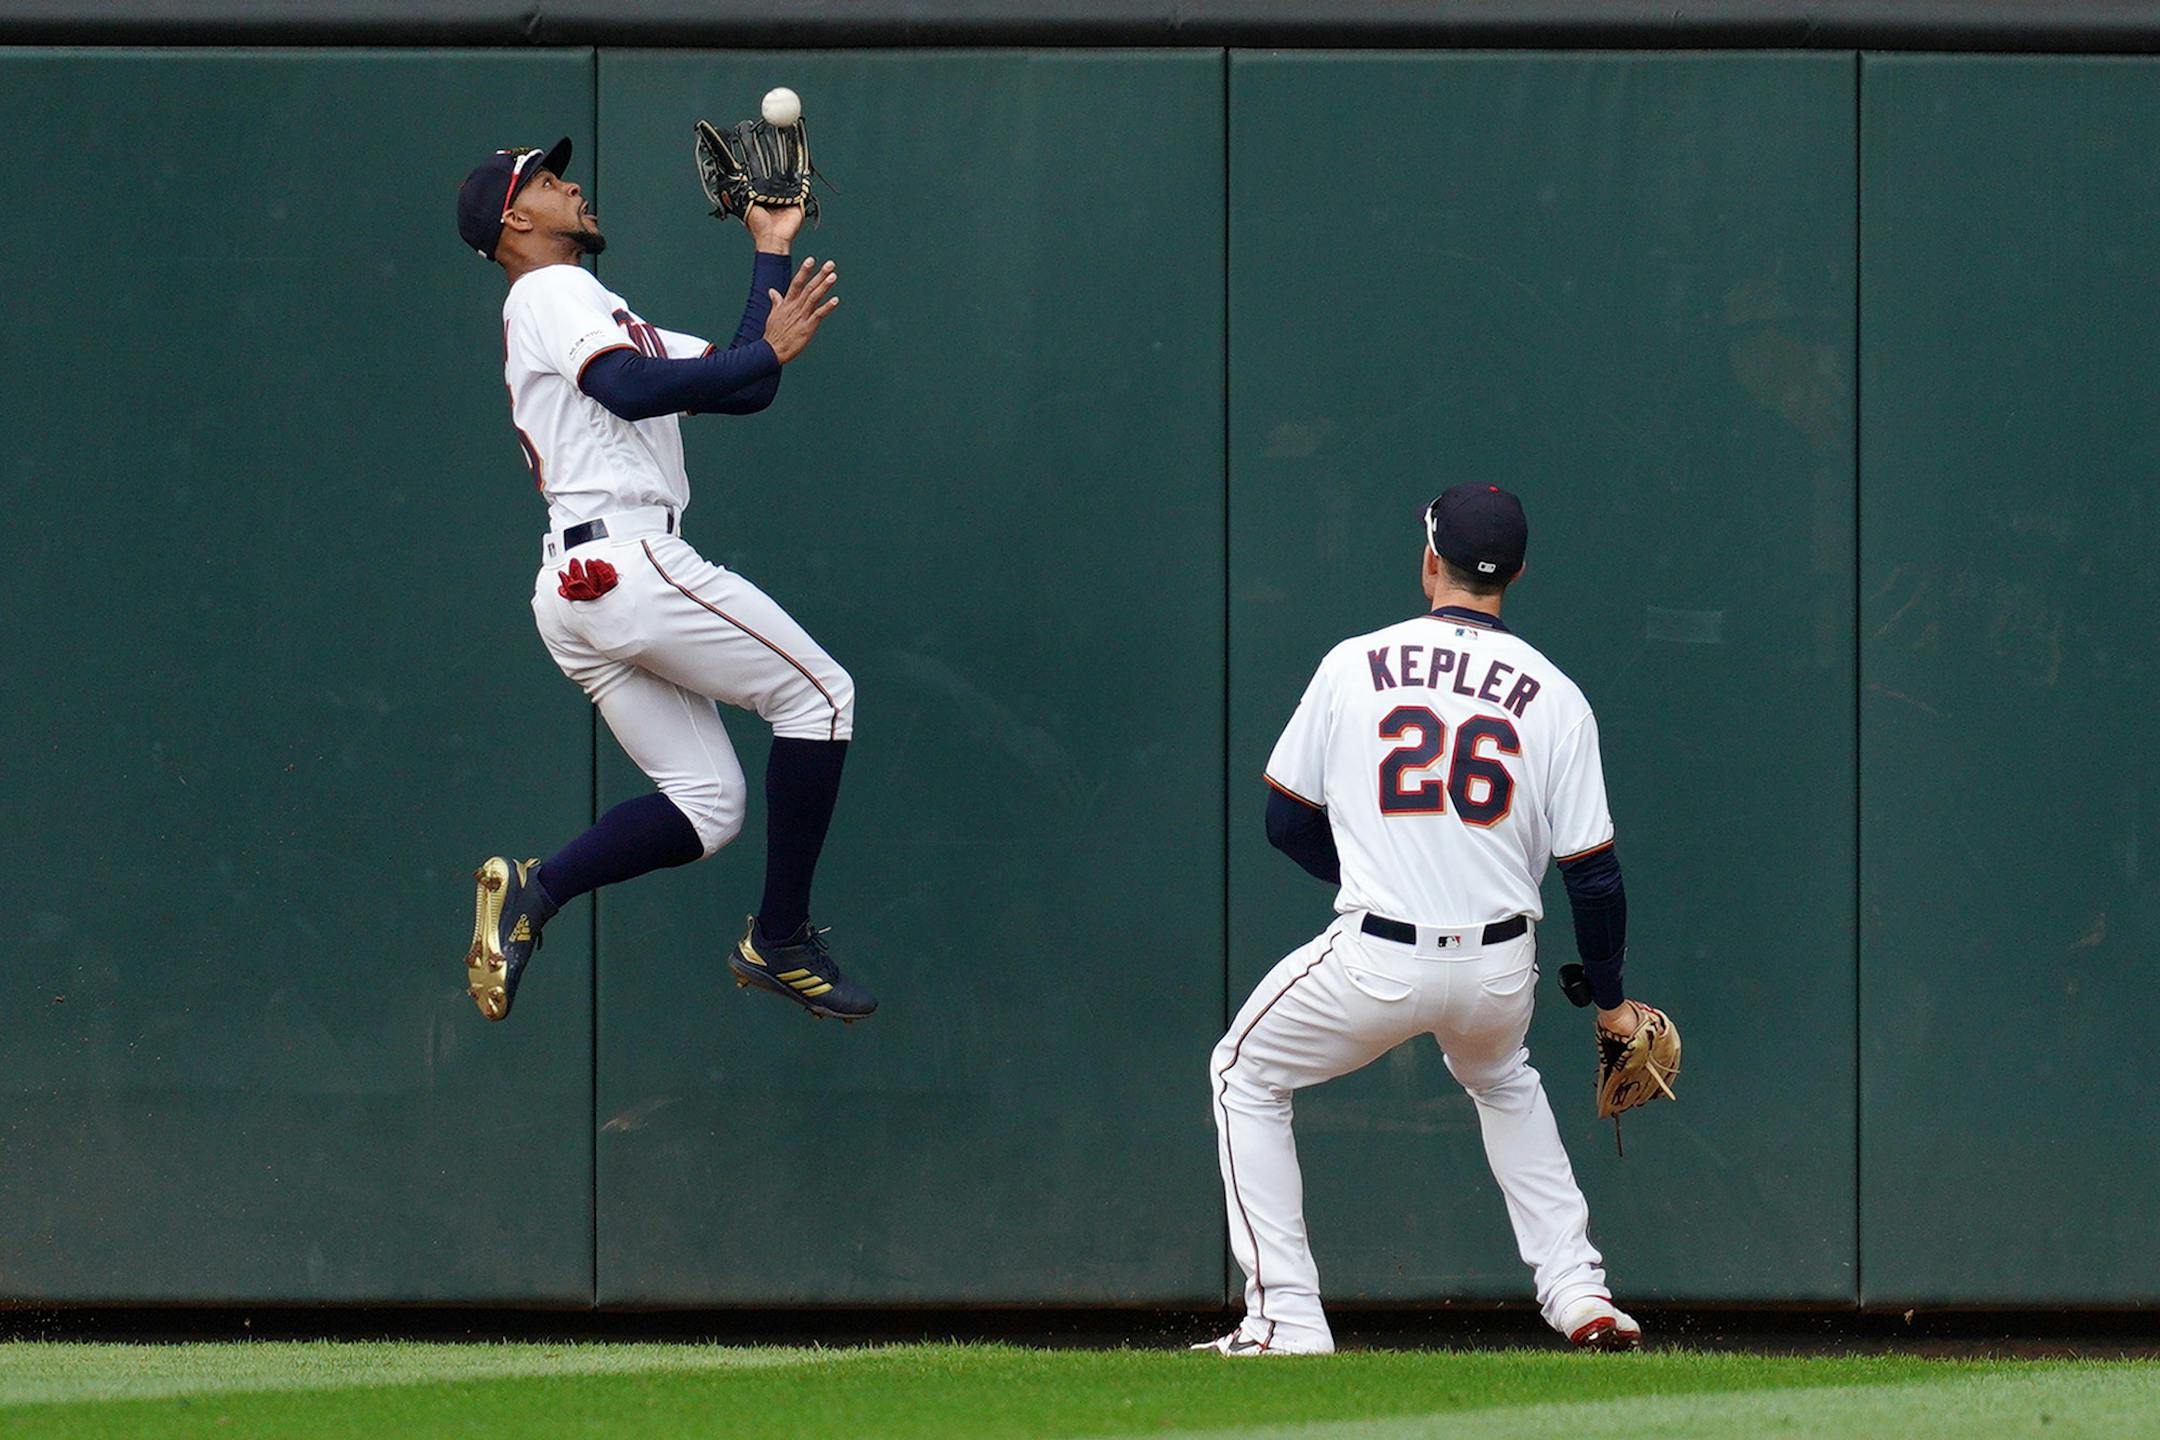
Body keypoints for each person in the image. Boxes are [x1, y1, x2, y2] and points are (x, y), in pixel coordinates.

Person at [1199, 482, 1656, 1355]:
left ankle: (1286, 1317)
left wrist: (1376, 866)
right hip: (1497, 973)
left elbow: (1285, 824)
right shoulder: (1556, 694)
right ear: (1516, 574)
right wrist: (1611, 1002)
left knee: (1241, 1075)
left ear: (1430, 560)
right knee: (1504, 1081)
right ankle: (1580, 1296)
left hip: (1378, 958)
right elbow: (1593, 880)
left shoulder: (1353, 663)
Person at [452, 138, 874, 1025]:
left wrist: (769, 242)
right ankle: (782, 936)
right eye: (547, 180)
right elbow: (631, 389)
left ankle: (539, 893)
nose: (571, 184)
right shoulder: (550, 289)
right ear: (515, 218)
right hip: (629, 559)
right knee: (821, 698)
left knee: (709, 805)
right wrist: (765, 351)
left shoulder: (596, 308)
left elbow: (742, 381)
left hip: (575, 587)